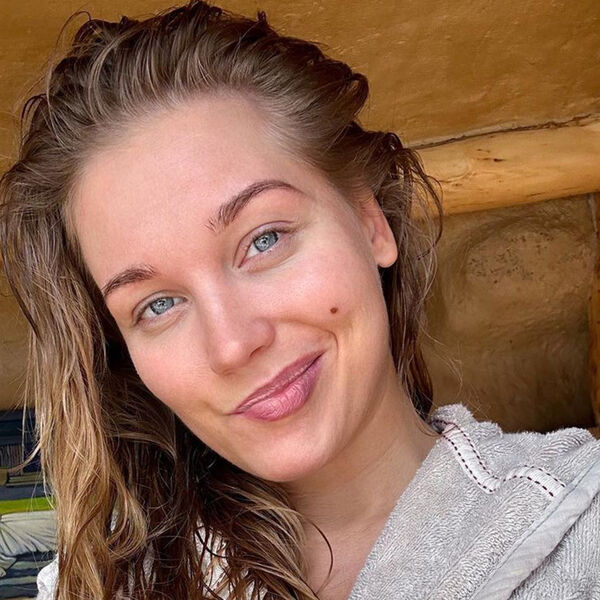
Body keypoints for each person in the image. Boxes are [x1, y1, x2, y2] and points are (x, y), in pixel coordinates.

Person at [0, 2, 598, 599]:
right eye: (158, 304)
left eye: (264, 240)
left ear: (369, 221)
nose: (232, 345)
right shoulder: (96, 587)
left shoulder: (581, 528)